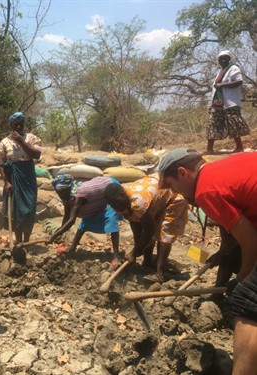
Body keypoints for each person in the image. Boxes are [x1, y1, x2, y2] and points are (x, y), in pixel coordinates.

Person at [157, 147, 257, 375]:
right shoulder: (224, 166)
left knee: (247, 300)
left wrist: (241, 279)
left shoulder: (205, 190)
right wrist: (224, 253)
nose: (178, 194)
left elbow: (251, 244)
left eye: (173, 186)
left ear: (183, 172)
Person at [104, 174, 188, 283]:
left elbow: (149, 230)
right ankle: (147, 264)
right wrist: (138, 249)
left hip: (173, 198)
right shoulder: (123, 202)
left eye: (115, 203)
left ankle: (160, 273)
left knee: (164, 234)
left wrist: (134, 252)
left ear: (123, 194)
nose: (114, 206)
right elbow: (138, 230)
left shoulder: (138, 202)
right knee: (146, 237)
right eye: (112, 204)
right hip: (157, 201)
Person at [47, 174, 123, 265]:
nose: (59, 194)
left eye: (61, 191)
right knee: (86, 220)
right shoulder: (66, 196)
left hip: (111, 189)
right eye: (57, 192)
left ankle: (116, 257)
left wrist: (54, 236)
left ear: (68, 188)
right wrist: (59, 232)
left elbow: (71, 220)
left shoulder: (79, 196)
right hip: (96, 194)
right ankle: (72, 248)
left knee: (111, 220)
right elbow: (67, 216)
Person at [0, 112, 41, 244]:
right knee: (15, 210)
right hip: (13, 177)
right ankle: (19, 241)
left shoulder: (31, 138)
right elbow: (1, 163)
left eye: (21, 123)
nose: (19, 126)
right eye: (16, 124)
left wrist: (21, 141)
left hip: (28, 177)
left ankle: (26, 241)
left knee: (28, 209)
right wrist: (6, 182)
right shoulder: (4, 142)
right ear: (11, 125)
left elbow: (36, 155)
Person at [206, 50, 250, 155]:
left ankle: (239, 147)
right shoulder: (219, 72)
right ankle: (209, 149)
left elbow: (239, 81)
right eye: (221, 59)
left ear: (229, 59)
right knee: (213, 123)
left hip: (231, 101)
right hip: (218, 103)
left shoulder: (233, 68)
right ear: (219, 61)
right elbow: (215, 88)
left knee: (233, 123)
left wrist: (223, 85)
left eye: (225, 58)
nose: (223, 60)